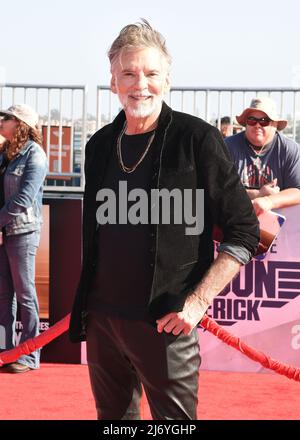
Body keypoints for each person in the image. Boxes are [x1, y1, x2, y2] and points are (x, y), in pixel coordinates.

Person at [69, 20, 259, 420]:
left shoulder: (198, 140)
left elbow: (244, 231)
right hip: (103, 322)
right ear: (114, 82)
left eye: (152, 73)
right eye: (129, 73)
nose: (141, 83)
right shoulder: (100, 144)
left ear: (167, 80)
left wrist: (197, 303)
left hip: (167, 323)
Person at [0, 104, 47, 373]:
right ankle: (5, 351)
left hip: (22, 233)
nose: (1, 121)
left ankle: (29, 356)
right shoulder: (6, 153)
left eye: (6, 118)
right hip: (6, 232)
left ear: (19, 124)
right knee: (4, 295)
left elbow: (23, 199)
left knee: (25, 294)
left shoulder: (35, 155)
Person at [224, 97, 300, 215]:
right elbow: (218, 189)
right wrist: (257, 194)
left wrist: (268, 201)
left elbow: (297, 191)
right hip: (235, 216)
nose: (257, 125)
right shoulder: (228, 146)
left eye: (264, 121)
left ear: (275, 124)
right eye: (252, 120)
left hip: (279, 218)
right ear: (246, 123)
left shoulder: (289, 149)